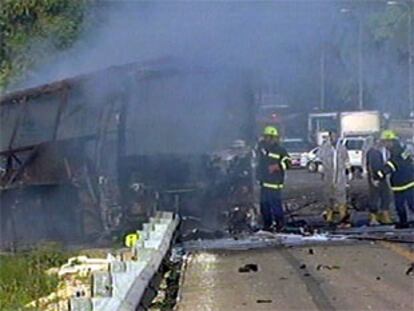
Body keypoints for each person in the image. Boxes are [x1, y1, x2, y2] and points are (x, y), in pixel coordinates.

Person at [377, 130, 414, 228]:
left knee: (407, 204)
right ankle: (403, 222)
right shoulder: (401, 149)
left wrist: (380, 173)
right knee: (403, 205)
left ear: (391, 141)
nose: (384, 144)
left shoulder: (396, 152)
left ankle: (403, 222)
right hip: (406, 182)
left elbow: (392, 165)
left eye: (385, 142)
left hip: (403, 183)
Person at [256, 126, 290, 231]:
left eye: (271, 137)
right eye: (267, 137)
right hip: (264, 183)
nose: (269, 140)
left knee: (275, 206)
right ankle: (267, 225)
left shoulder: (280, 150)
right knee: (264, 206)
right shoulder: (262, 149)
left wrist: (278, 166)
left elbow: (288, 163)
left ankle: (280, 225)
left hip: (275, 184)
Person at [318, 131, 351, 226]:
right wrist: (321, 170)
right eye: (332, 136)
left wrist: (348, 172)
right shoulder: (324, 148)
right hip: (328, 176)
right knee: (328, 197)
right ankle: (329, 217)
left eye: (335, 136)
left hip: (340, 176)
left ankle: (343, 216)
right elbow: (320, 159)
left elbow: (346, 160)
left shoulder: (341, 148)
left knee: (341, 196)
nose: (334, 138)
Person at [365, 136, 392, 225]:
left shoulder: (383, 151)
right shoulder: (372, 152)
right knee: (374, 197)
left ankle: (384, 215)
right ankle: (373, 218)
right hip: (375, 178)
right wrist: (373, 179)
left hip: (382, 177)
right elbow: (370, 167)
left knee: (385, 196)